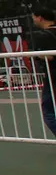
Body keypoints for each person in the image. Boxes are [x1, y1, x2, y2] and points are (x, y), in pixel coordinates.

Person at [31, 7, 56, 136]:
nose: (34, 20)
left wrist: (37, 54)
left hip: (53, 76)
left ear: (40, 17)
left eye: (34, 17)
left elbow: (49, 56)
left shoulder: (43, 35)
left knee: (49, 110)